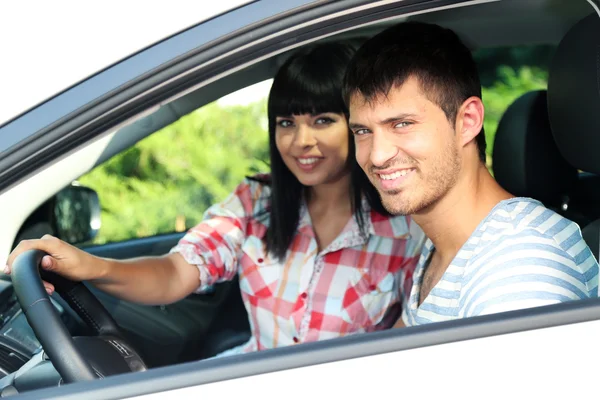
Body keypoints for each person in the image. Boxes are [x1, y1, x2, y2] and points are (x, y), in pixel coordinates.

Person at [5, 42, 426, 355]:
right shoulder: (255, 202)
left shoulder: (405, 222)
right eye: (286, 122)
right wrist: (89, 266)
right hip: (246, 378)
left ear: (357, 125)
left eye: (322, 120)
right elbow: (175, 274)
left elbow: (412, 338)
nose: (301, 141)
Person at [342, 21, 599, 327]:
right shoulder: (445, 246)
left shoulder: (517, 267)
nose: (377, 155)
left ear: (467, 121)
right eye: (362, 131)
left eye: (402, 124)